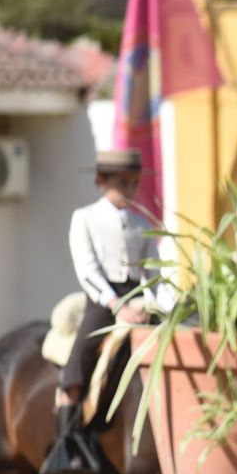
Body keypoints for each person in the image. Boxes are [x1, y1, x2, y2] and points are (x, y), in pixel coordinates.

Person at [56, 148, 159, 431]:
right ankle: (66, 440)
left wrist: (154, 301)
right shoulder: (85, 218)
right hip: (104, 299)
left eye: (135, 183)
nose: (131, 189)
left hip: (138, 297)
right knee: (81, 355)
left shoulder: (142, 224)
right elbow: (87, 268)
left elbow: (153, 271)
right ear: (101, 180)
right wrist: (116, 304)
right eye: (123, 183)